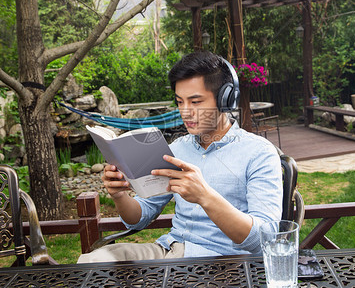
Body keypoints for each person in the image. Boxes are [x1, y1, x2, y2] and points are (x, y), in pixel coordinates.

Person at [77, 51, 282, 263]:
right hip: (170, 252)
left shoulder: (259, 153)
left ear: (225, 100)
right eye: (180, 102)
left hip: (224, 265)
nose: (185, 112)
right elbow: (139, 218)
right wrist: (119, 196)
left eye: (195, 102)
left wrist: (205, 196)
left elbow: (264, 239)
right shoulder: (177, 149)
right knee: (92, 262)